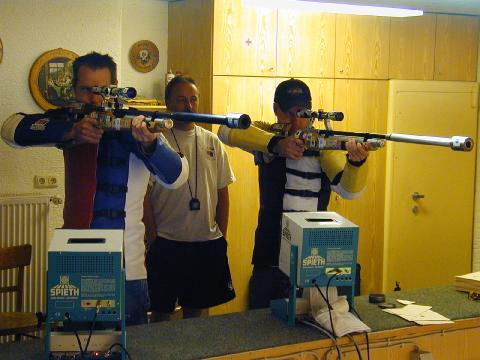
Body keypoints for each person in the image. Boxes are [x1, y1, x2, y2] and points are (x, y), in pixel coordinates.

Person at [1, 52, 189, 325]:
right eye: (86, 90)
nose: (94, 98)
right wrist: (69, 132)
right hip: (74, 258)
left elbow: (177, 177)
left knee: (127, 347)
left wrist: (151, 144)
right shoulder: (71, 123)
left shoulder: (134, 123)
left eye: (103, 90)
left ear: (116, 87)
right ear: (74, 89)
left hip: (127, 267)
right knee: (73, 346)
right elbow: (11, 129)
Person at [217, 78, 370, 309]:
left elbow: (349, 191)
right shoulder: (268, 134)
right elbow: (226, 129)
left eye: (303, 113)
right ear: (276, 110)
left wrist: (357, 163)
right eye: (290, 113)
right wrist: (276, 144)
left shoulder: (322, 143)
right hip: (270, 251)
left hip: (313, 254)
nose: (298, 120)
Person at [144, 75, 236, 321]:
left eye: (193, 99)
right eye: (182, 100)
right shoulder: (156, 141)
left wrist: (221, 235)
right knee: (160, 314)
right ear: (168, 104)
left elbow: (222, 192)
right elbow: (145, 197)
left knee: (197, 317)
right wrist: (152, 238)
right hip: (166, 242)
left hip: (206, 243)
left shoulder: (212, 141)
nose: (189, 106)